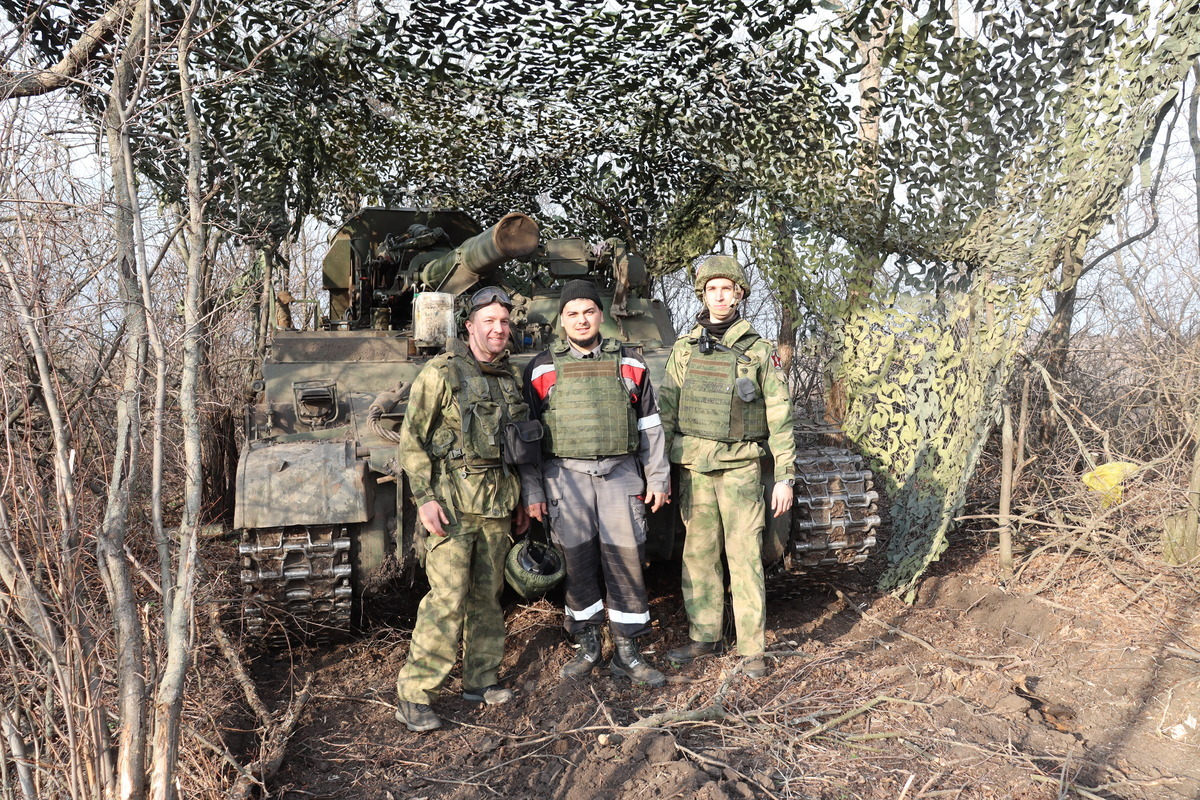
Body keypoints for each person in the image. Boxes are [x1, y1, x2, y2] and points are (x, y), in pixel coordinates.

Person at [521, 279, 671, 686]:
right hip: (564, 477)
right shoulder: (541, 368)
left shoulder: (632, 363)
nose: (581, 319)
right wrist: (533, 490)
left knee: (627, 559)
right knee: (577, 561)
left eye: (588, 311)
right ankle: (587, 644)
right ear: (562, 320)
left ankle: (627, 649)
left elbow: (651, 426)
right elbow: (529, 437)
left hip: (620, 473)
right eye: (572, 313)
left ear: (601, 316)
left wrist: (657, 476)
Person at [394, 286, 530, 732]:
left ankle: (481, 680)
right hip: (451, 505)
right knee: (447, 599)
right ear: (469, 326)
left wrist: (522, 500)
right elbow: (412, 442)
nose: (498, 329)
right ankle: (415, 695)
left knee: (487, 598)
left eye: (504, 322)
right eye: (489, 321)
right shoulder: (440, 373)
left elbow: (519, 449)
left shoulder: (509, 379)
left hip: (496, 504)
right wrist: (425, 498)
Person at [658, 256, 795, 679]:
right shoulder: (683, 349)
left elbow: (779, 414)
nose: (719, 296)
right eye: (711, 289)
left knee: (744, 556)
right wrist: (658, 470)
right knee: (697, 555)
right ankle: (705, 636)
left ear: (739, 295)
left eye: (727, 289)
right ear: (703, 295)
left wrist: (785, 475)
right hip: (695, 468)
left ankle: (752, 648)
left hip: (740, 468)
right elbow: (667, 409)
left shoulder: (759, 350)